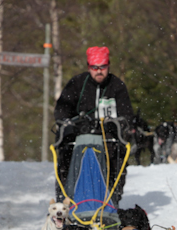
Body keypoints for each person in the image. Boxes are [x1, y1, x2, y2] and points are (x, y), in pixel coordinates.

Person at [54, 47, 134, 205]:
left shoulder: (117, 86)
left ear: (108, 66)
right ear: (88, 67)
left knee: (118, 157)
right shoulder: (77, 83)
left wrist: (120, 122)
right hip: (78, 135)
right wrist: (66, 121)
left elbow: (126, 113)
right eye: (95, 68)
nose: (99, 71)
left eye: (103, 67)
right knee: (65, 156)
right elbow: (62, 108)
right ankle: (65, 200)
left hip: (108, 137)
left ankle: (112, 200)